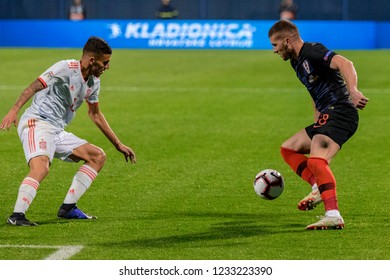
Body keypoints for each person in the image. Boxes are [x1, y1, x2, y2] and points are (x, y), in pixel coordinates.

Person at [0, 36, 136, 226]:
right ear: (91, 60)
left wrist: (118, 144)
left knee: (97, 156)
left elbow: (95, 114)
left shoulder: (93, 82)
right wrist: (14, 109)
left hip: (56, 129)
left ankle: (68, 208)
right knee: (41, 167)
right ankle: (17, 215)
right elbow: (35, 85)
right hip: (37, 122)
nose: (107, 67)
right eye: (105, 62)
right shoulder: (65, 68)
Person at [268, 20, 369, 230]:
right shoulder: (296, 62)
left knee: (317, 160)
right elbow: (315, 94)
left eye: (275, 45)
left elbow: (345, 63)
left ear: (287, 41)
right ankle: (317, 187)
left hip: (340, 111)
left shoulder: (312, 51)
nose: (274, 51)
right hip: (327, 114)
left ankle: (333, 214)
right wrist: (317, 124)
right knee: (288, 148)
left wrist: (353, 90)